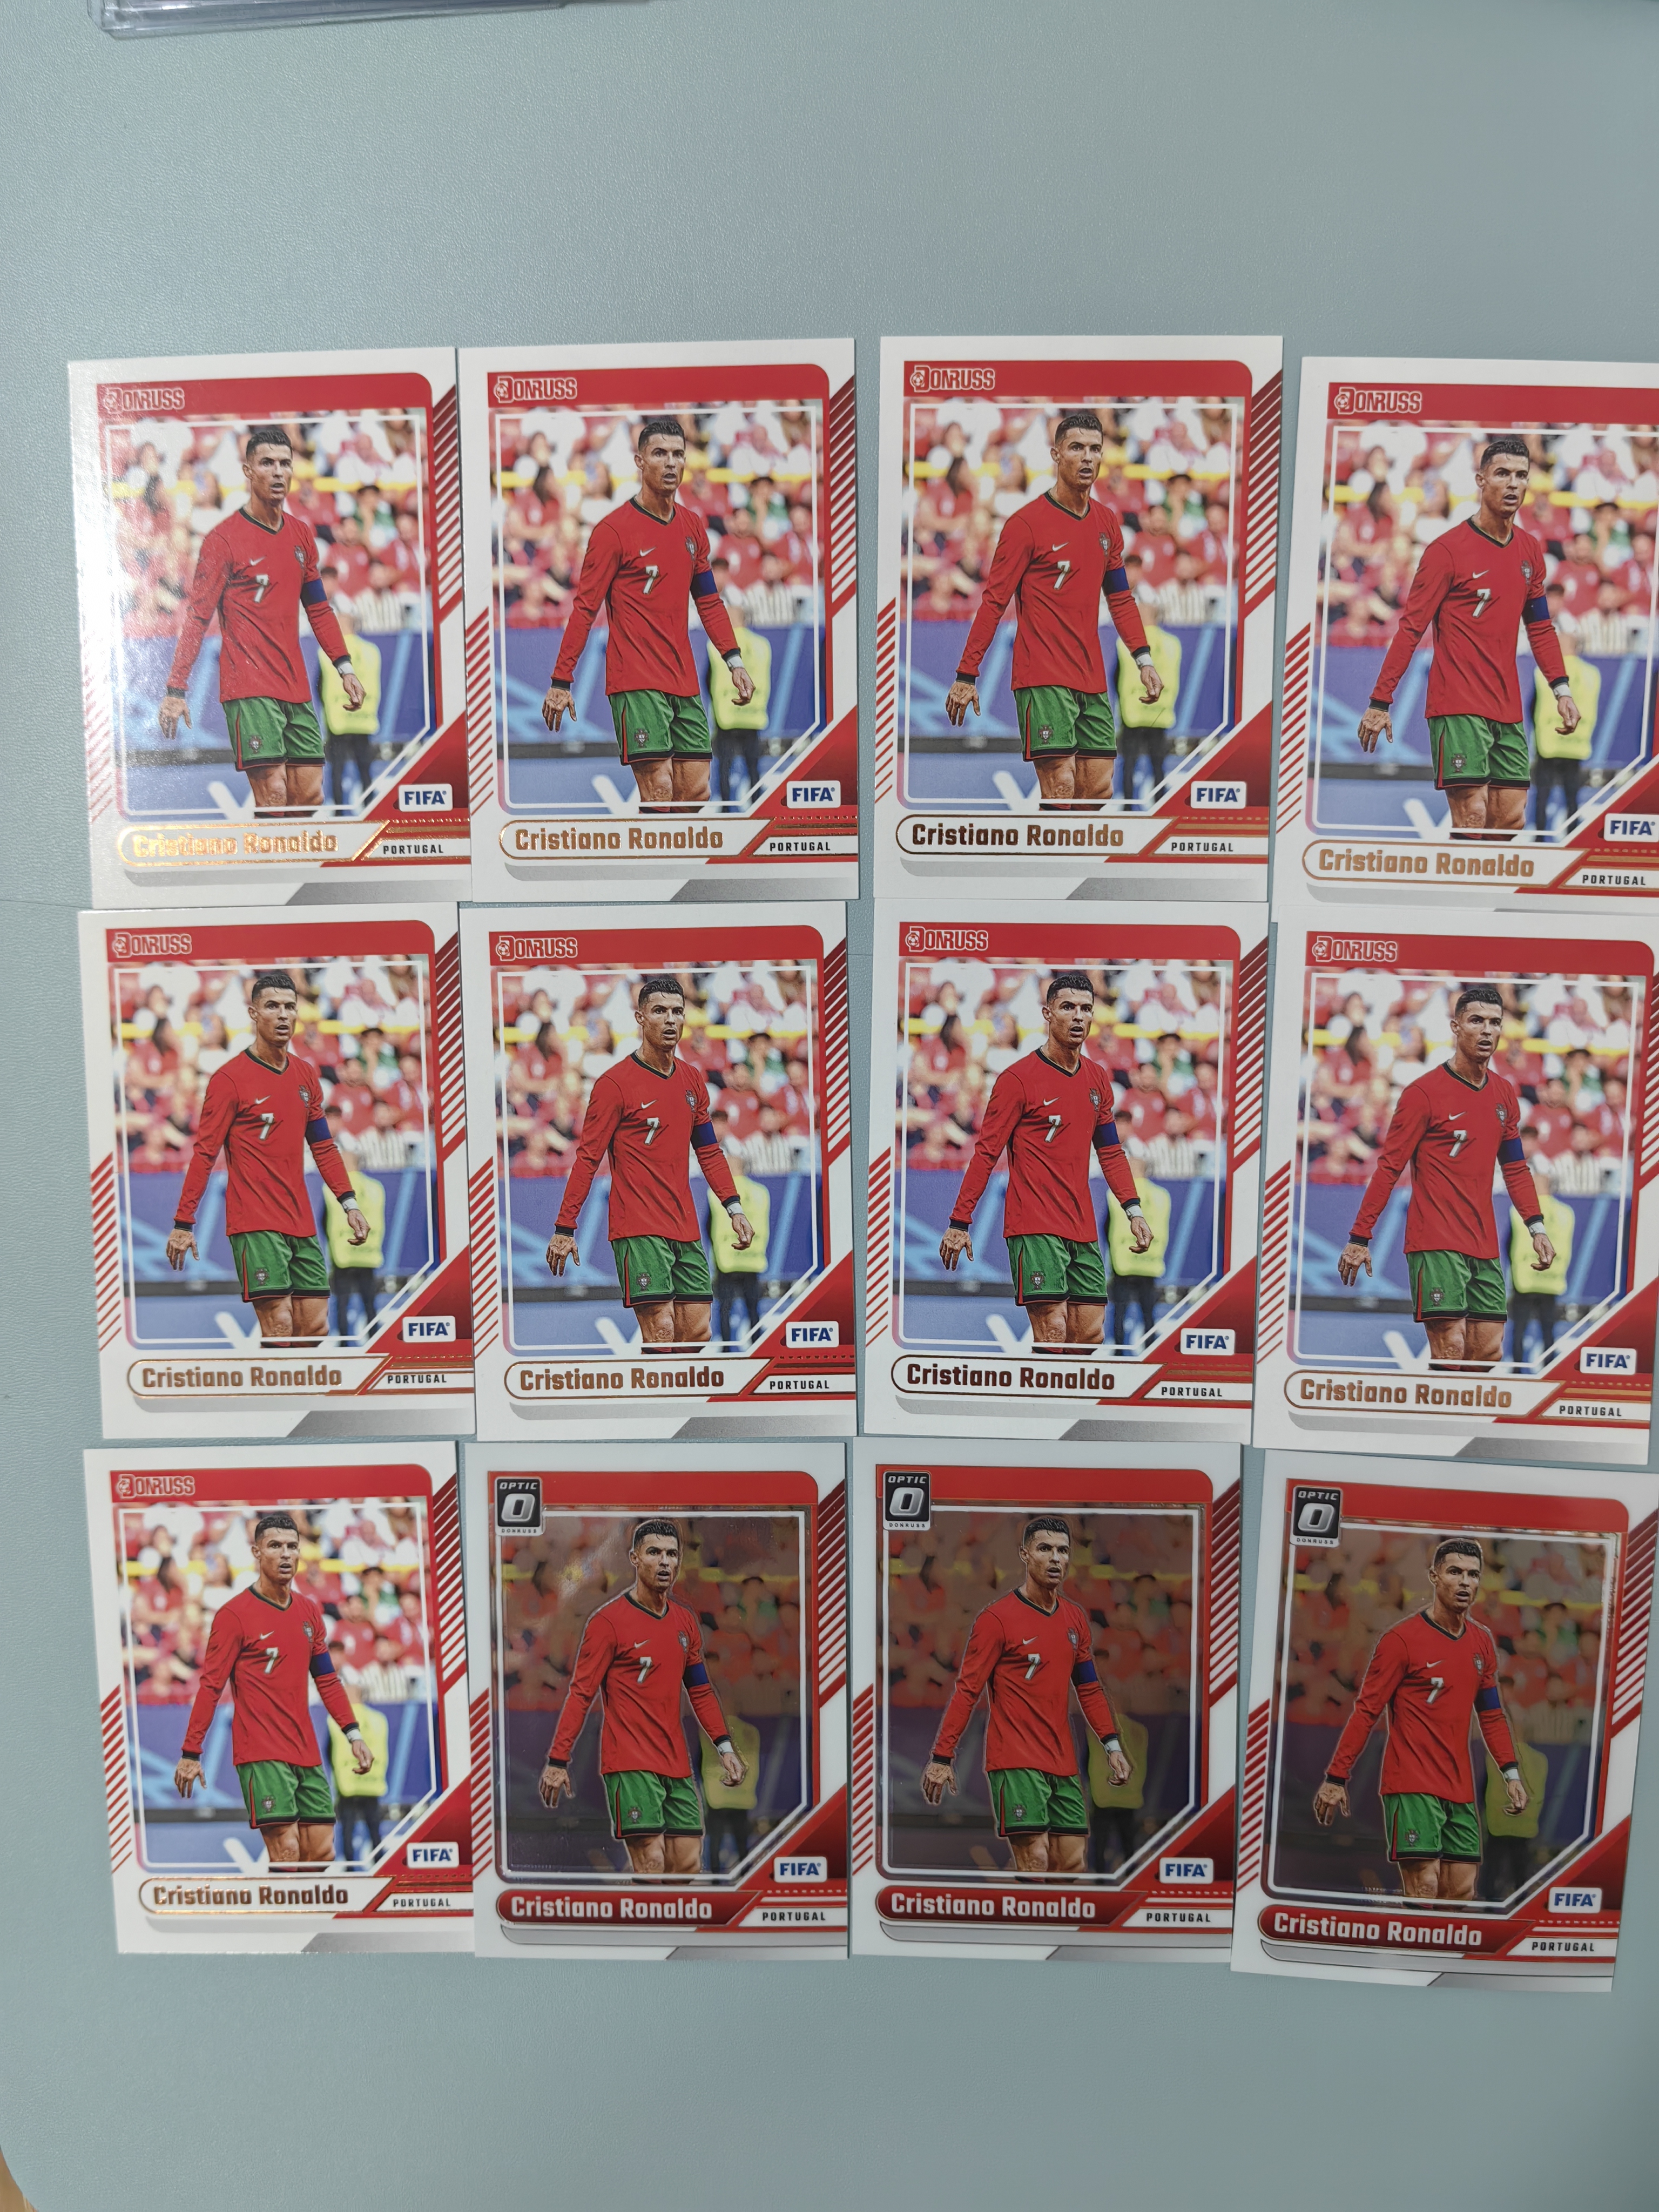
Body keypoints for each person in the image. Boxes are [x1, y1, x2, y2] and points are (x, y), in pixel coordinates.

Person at [1357, 436, 1576, 842]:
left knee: (1510, 820)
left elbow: (1541, 627)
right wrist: (1379, 701)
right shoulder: (1446, 551)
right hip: (1457, 702)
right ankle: (1459, 885)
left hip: (1506, 703)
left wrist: (1560, 689)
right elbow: (1411, 628)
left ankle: (1477, 883)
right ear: (1481, 480)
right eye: (1502, 474)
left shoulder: (1530, 551)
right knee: (1472, 816)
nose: (1513, 484)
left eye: (1521, 475)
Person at [945, 409, 1163, 811]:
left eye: (1095, 449)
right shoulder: (1025, 524)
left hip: (1090, 674)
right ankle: (1050, 853)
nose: (1087, 457)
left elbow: (1120, 598)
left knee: (1098, 790)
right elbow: (994, 601)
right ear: (1056, 455)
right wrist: (966, 673)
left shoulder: (1106, 523)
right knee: (1061, 787)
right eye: (1076, 448)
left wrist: (1143, 659)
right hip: (1042, 673)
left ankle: (1067, 854)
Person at [539, 417, 753, 813]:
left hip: (683, 677)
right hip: (635, 678)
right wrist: (561, 680)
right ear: (639, 461)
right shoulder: (613, 532)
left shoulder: (693, 527)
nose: (671, 463)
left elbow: (709, 601)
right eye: (660, 454)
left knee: (696, 792)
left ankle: (672, 855)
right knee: (659, 790)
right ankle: (656, 855)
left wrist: (733, 659)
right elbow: (585, 608)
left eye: (678, 454)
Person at [1337, 983, 1552, 1374]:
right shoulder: (1423, 1093)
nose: (1486, 1030)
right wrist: (1359, 1237)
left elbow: (1516, 1167)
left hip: (1483, 1240)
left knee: (1488, 1353)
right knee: (1450, 1348)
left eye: (1494, 1023)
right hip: (1434, 1239)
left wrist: (1536, 1226)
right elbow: (1389, 1167)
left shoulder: (1504, 1094)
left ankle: (1456, 1414)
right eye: (1476, 1021)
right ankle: (1438, 1414)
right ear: (1456, 1027)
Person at [159, 426, 365, 818]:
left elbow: (319, 608)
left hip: (295, 684)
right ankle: (274, 858)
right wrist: (176, 688)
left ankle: (285, 856)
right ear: (248, 471)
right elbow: (198, 617)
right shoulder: (223, 541)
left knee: (309, 797)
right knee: (273, 795)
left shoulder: (302, 535)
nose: (277, 472)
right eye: (267, 463)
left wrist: (345, 666)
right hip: (248, 685)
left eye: (285, 463)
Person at [941, 971, 1153, 1348]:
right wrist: (960, 1221)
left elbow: (1110, 1151)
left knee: (1089, 1335)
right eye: (1067, 1007)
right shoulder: (1017, 1080)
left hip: (1081, 1223)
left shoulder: (1097, 1079)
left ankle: (1057, 1386)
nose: (1078, 1016)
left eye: (1086, 1009)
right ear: (1047, 1013)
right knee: (1053, 1330)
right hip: (1034, 1223)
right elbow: (986, 1153)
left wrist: (1133, 1210)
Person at [1313, 1536, 1525, 1900]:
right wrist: (1336, 1776)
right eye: (1455, 1572)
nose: (1465, 1582)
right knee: (1425, 1885)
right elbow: (1367, 1710)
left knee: (1461, 1890)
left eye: (1473, 1574)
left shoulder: (1482, 1642)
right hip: (1411, 1782)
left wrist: (1511, 1773)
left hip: (1459, 1786)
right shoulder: (1400, 1640)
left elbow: (1491, 1715)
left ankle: (1436, 1941)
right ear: (1434, 1576)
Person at [547, 977, 754, 1347]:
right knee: (661, 1331)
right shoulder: (614, 1084)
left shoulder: (692, 1080)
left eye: (677, 1012)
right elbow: (588, 1159)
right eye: (659, 1011)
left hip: (684, 1223)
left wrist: (733, 1206)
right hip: (637, 1225)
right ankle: (661, 1388)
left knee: (697, 1332)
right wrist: (565, 1227)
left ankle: (674, 1387)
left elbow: (709, 1150)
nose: (670, 1020)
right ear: (640, 1017)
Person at [167, 972, 369, 1348]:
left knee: (315, 1328)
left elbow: (324, 1146)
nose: (282, 1015)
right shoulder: (229, 1080)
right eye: (272, 1006)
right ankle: (277, 1388)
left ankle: (294, 1388)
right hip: (254, 1220)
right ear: (253, 1013)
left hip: (300, 1218)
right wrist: (183, 1222)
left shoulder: (306, 1075)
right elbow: (205, 1154)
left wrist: (349, 1202)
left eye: (290, 1007)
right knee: (279, 1326)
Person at [921, 1516, 1131, 1874]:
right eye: (1045, 1549)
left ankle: (1038, 1911)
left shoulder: (1075, 1619)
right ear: (1025, 1554)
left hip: (1062, 1761)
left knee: (1072, 1863)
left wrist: (1112, 1746)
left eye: (1063, 1551)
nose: (1055, 1558)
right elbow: (968, 1690)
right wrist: (942, 1756)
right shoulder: (996, 1620)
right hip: (1015, 1758)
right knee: (1036, 1859)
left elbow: (1089, 1688)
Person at [538, 1519, 746, 1876]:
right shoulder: (607, 1623)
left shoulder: (685, 1622)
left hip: (676, 1762)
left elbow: (700, 1690)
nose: (665, 1562)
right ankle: (642, 1912)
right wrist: (558, 1759)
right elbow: (581, 1694)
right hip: (629, 1761)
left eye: (672, 1554)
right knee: (652, 1862)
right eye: (654, 1552)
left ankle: (651, 1912)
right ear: (635, 1558)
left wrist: (724, 1747)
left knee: (687, 1864)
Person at [174, 1510, 373, 1867]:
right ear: (257, 1552)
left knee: (322, 1853)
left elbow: (327, 1679)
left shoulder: (309, 1612)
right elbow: (211, 1687)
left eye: (292, 1547)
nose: (285, 1554)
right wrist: (191, 1752)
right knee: (287, 1851)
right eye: (275, 1546)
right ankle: (287, 1906)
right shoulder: (234, 1615)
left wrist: (353, 1733)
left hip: (305, 1747)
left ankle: (301, 1905)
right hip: (260, 1749)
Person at [1530, 601, 1600, 835]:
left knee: (1543, 795)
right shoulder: (1592, 674)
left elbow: (1532, 706)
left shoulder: (1544, 672)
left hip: (1548, 743)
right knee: (1572, 797)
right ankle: (1572, 836)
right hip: (1576, 744)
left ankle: (1539, 837)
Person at [319, 591, 383, 812]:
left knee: (337, 770)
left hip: (338, 719)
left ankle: (339, 813)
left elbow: (320, 685)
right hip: (363, 719)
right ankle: (370, 810)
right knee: (364, 769)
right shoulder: (371, 650)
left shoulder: (327, 652)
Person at [1115, 612, 1181, 803]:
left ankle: (1127, 807)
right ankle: (1159, 806)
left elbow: (1116, 676)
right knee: (1158, 765)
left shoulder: (1125, 643)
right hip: (1159, 713)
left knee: (1129, 765)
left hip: (1133, 713)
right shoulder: (1172, 643)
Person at [709, 606, 772, 805]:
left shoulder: (717, 646)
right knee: (753, 766)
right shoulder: (762, 645)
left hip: (727, 716)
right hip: (752, 715)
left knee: (724, 766)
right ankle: (757, 807)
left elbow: (708, 678)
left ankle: (725, 809)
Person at [1508, 1179, 1574, 1366]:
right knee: (1548, 1330)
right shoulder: (1565, 1212)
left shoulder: (1519, 1211)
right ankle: (1549, 1369)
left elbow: (1509, 1244)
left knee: (1519, 1329)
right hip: (1550, 1281)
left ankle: (1516, 1370)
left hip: (1525, 1280)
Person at [1108, 1164, 1170, 1348]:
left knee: (1120, 1311)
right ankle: (1150, 1350)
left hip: (1124, 1263)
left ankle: (1118, 1351)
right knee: (1149, 1313)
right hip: (1149, 1263)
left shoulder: (1116, 1195)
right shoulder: (1161, 1195)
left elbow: (1107, 1227)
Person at [710, 1162, 770, 1345]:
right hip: (752, 1259)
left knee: (725, 1308)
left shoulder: (717, 1193)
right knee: (753, 1308)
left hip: (727, 1260)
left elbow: (709, 1225)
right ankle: (757, 1346)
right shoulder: (760, 1192)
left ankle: (725, 1349)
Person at [324, 1163, 385, 1337]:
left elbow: (324, 1220)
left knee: (342, 1303)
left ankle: (343, 1342)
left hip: (343, 1255)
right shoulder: (375, 1187)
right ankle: (374, 1340)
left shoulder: (332, 1189)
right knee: (370, 1302)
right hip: (368, 1254)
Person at [328, 1691, 390, 1862]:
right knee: (375, 1829)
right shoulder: (378, 1719)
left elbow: (329, 1751)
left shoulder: (336, 1720)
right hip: (372, 1783)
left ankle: (350, 1867)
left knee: (347, 1830)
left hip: (348, 1784)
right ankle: (379, 1864)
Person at [1087, 1707, 1149, 1872]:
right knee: (1128, 1841)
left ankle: (1100, 1876)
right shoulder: (1139, 1730)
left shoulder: (1094, 1733)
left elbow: (1087, 1761)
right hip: (1128, 1797)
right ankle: (1130, 1874)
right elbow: (1142, 1762)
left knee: (1101, 1841)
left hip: (1103, 1796)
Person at [700, 1705, 761, 1871]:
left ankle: (715, 1878)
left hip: (717, 1799)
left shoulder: (707, 1734)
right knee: (741, 1842)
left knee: (716, 1841)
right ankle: (745, 1874)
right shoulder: (750, 1731)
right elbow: (753, 1765)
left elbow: (702, 1764)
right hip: (740, 1798)